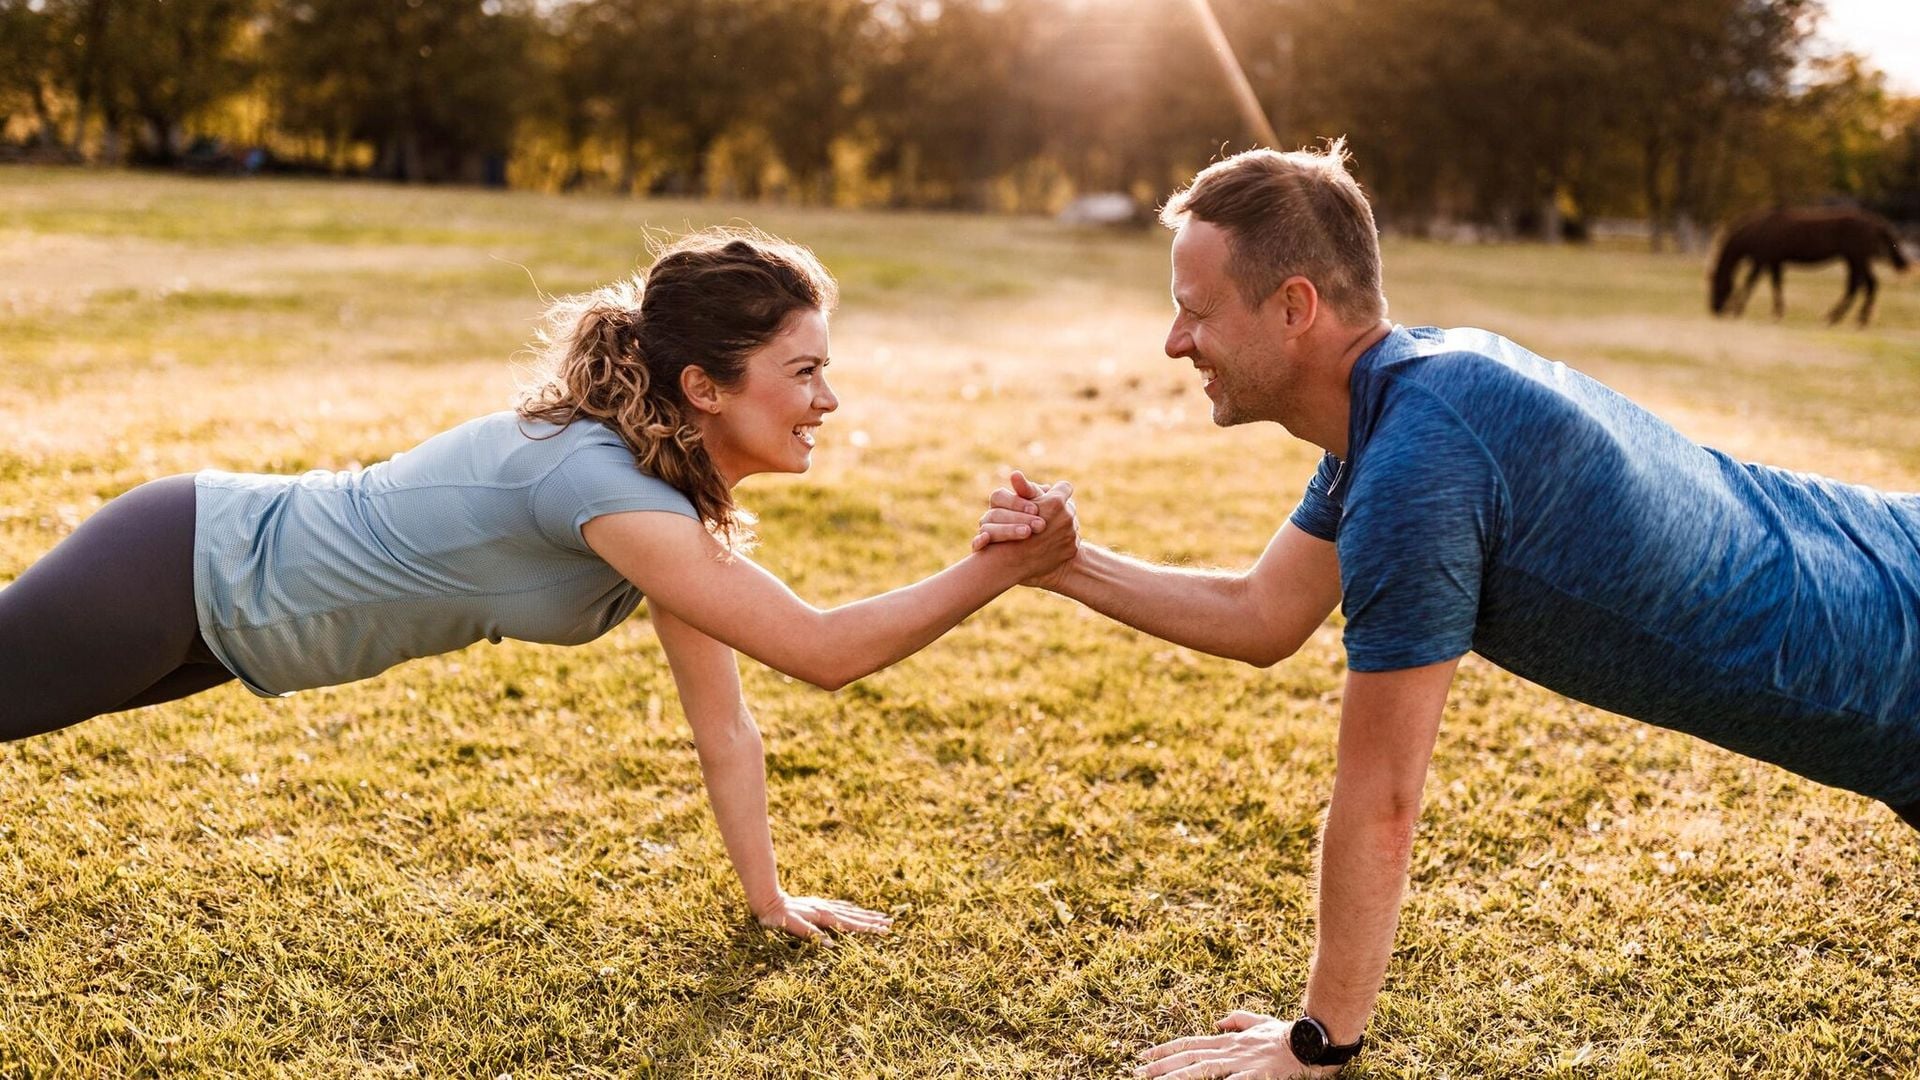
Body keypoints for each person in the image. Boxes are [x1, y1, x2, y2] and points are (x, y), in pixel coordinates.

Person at [974, 141, 1920, 1077]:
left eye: (1195, 313)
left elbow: (1383, 801)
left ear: (1294, 306)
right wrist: (1067, 565)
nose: (1177, 343)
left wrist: (1318, 1042)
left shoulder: (1416, 465)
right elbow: (1265, 613)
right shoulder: (1411, 398)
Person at [0, 227, 1078, 942]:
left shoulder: (662, 496)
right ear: (704, 385)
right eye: (804, 372)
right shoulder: (601, 485)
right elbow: (824, 651)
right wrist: (1003, 569)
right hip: (179, 568)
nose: (829, 400)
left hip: (222, 632)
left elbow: (728, 726)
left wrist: (769, 899)